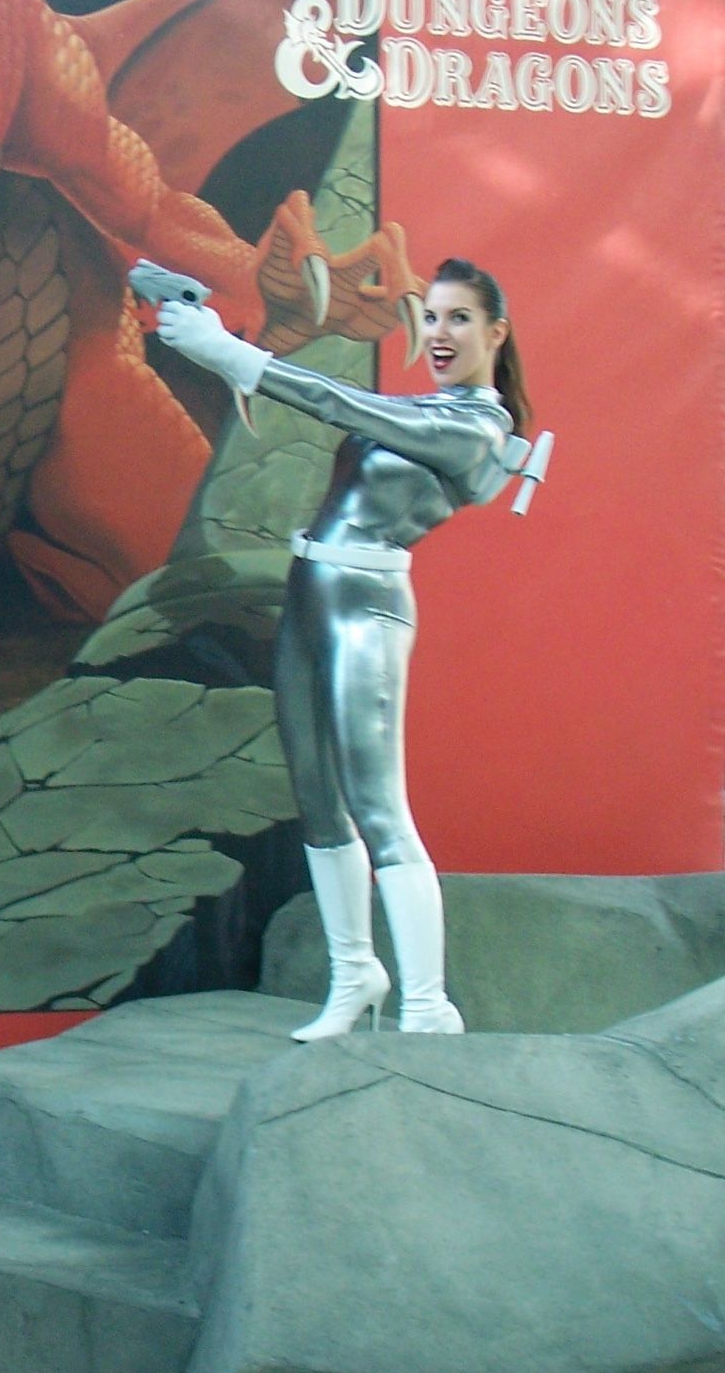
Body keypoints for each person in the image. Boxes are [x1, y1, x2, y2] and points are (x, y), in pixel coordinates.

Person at [153, 259, 531, 1039]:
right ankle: (356, 972)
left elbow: (338, 401)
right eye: (430, 317)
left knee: (378, 809)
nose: (438, 333)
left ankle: (426, 1004)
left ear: (496, 333)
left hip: (368, 608)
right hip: (311, 597)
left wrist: (235, 357)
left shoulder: (476, 429)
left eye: (459, 318)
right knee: (319, 802)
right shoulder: (429, 408)